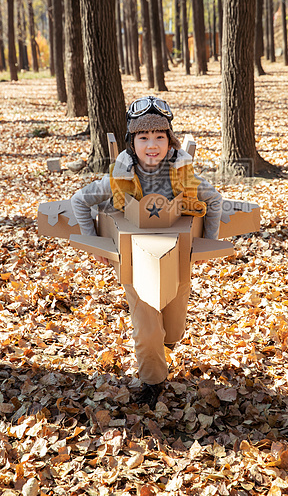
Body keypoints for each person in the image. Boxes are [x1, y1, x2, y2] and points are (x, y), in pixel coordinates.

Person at [71, 96, 222, 408]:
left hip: (177, 256)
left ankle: (167, 342)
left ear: (169, 140)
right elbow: (79, 201)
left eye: (159, 137)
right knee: (148, 322)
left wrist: (206, 243)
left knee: (174, 323)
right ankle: (153, 382)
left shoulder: (183, 173)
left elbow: (215, 200)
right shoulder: (119, 175)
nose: (152, 145)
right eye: (143, 137)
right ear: (132, 141)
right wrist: (93, 241)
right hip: (135, 258)